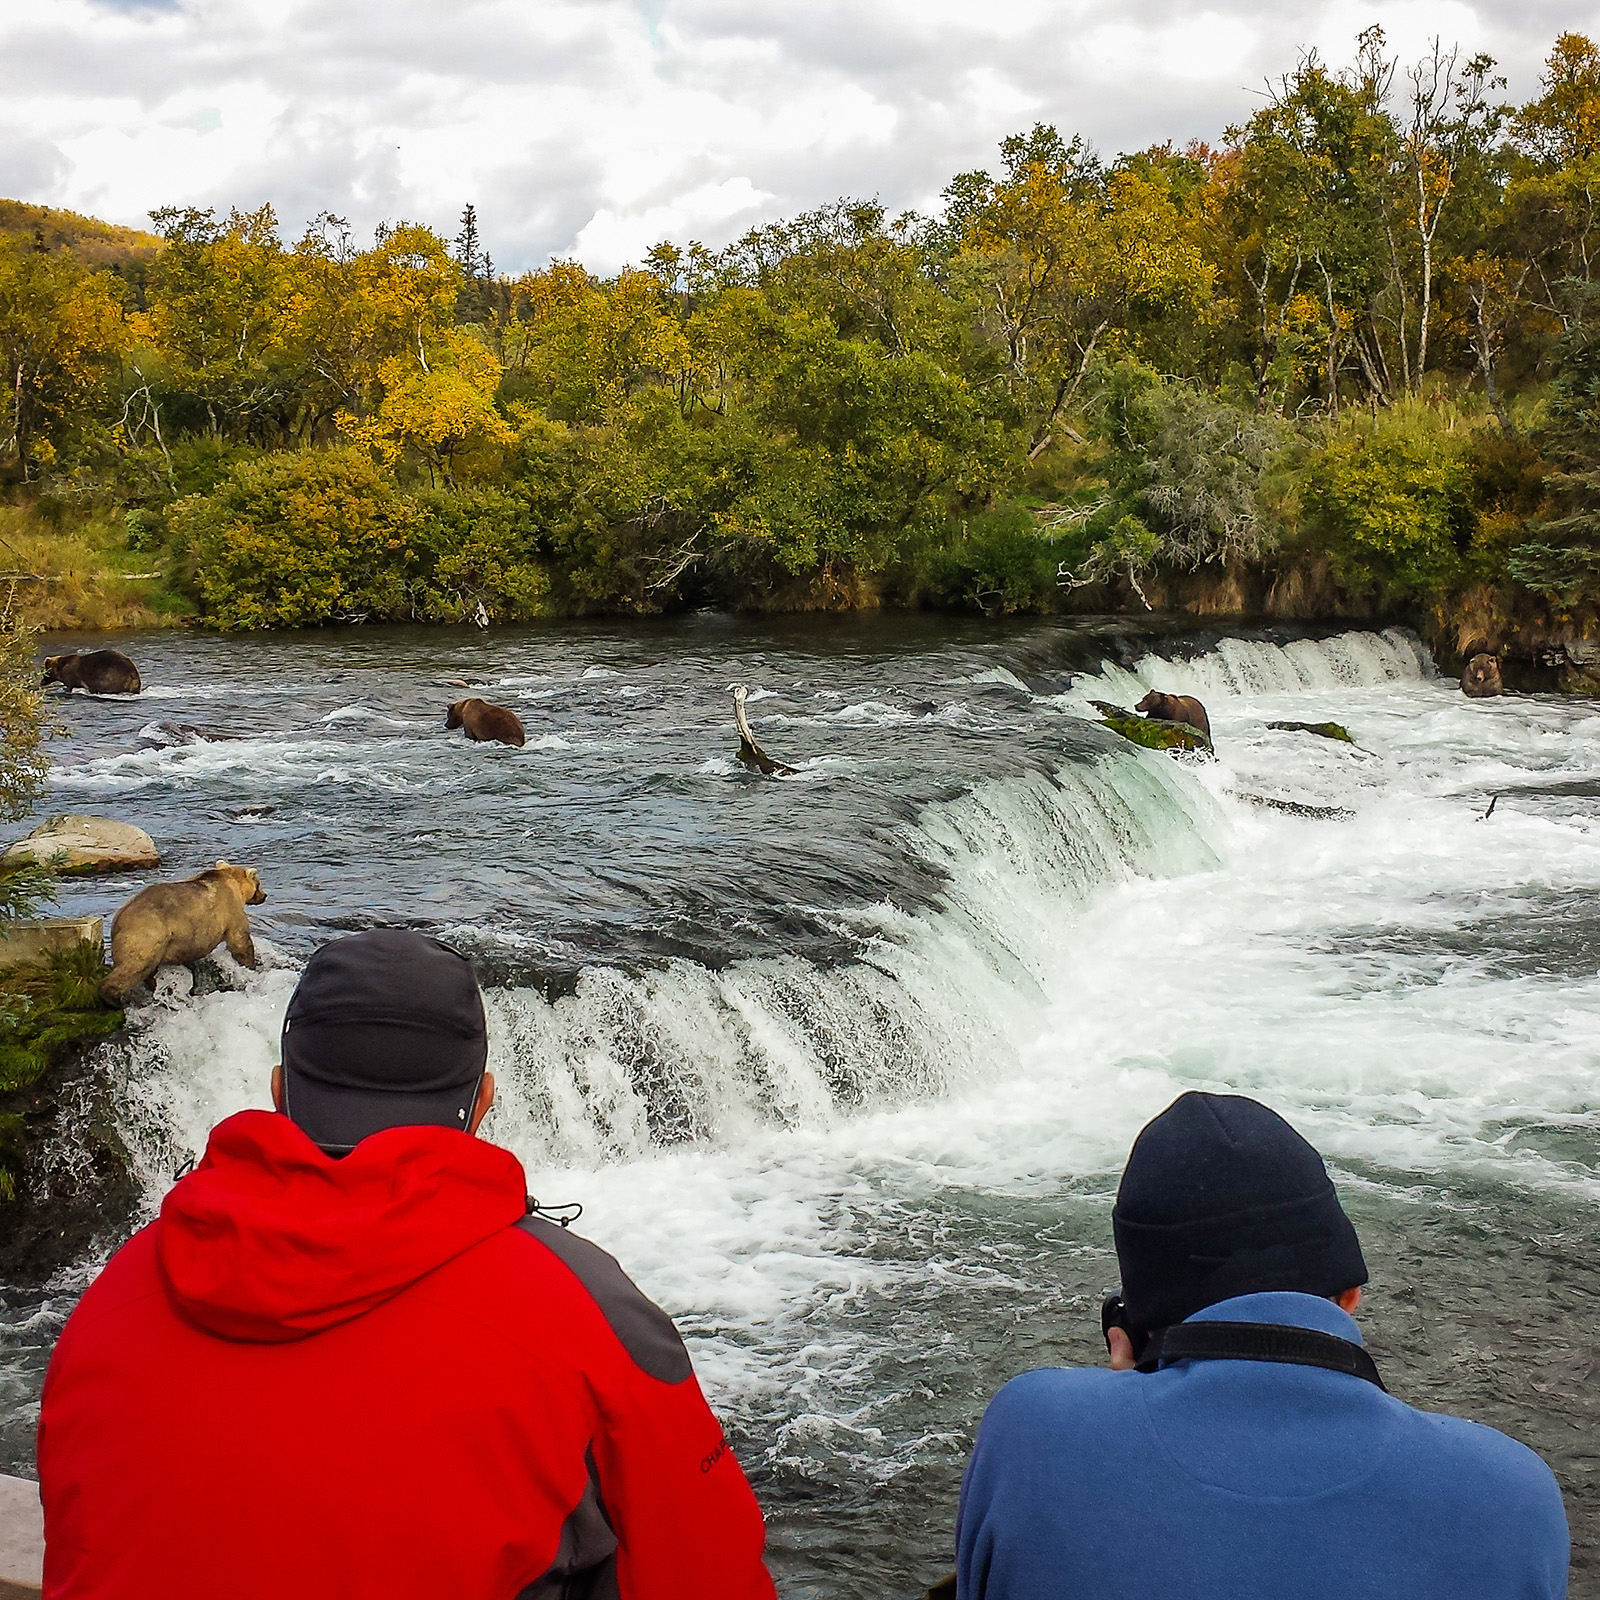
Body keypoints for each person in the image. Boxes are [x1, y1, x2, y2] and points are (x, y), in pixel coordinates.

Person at [38, 929, 776, 1599]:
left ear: (277, 1092)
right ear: (482, 1104)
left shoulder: (112, 1300)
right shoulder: (586, 1315)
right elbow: (710, 1571)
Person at [955, 1091, 1570, 1600]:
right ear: (1350, 1292)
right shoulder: (1512, 1495)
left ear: (1133, 1330)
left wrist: (1114, 1404)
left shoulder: (1033, 1430)